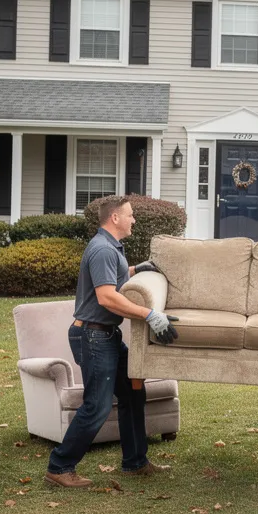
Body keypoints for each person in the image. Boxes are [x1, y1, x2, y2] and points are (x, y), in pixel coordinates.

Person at [44, 196, 180, 489]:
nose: (134, 220)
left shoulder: (110, 248)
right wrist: (150, 315)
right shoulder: (103, 249)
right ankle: (59, 466)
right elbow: (107, 297)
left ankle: (135, 462)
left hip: (105, 335)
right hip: (93, 336)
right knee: (97, 405)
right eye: (130, 215)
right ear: (115, 218)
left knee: (133, 392)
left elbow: (112, 280)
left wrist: (134, 270)